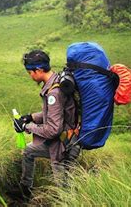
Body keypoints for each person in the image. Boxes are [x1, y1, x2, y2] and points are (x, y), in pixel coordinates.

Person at [8, 49, 80, 201]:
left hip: (64, 146)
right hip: (63, 140)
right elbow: (53, 114)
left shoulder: (54, 93)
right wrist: (30, 117)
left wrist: (26, 127)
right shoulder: (55, 81)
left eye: (30, 72)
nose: (30, 76)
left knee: (63, 192)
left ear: (39, 70)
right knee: (29, 151)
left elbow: (53, 129)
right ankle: (25, 190)